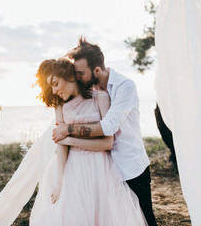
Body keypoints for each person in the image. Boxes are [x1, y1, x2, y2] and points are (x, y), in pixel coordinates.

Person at [52, 37, 158, 226]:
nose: (77, 77)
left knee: (143, 219)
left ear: (97, 70)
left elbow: (108, 127)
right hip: (107, 167)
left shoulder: (125, 87)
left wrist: (68, 131)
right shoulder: (91, 89)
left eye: (80, 73)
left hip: (130, 166)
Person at [30, 58, 147, 226]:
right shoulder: (60, 105)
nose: (54, 91)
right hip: (72, 167)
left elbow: (107, 144)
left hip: (100, 167)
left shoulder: (100, 97)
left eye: (56, 83)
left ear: (69, 76)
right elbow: (61, 146)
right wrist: (61, 180)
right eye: (51, 87)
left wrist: (69, 139)